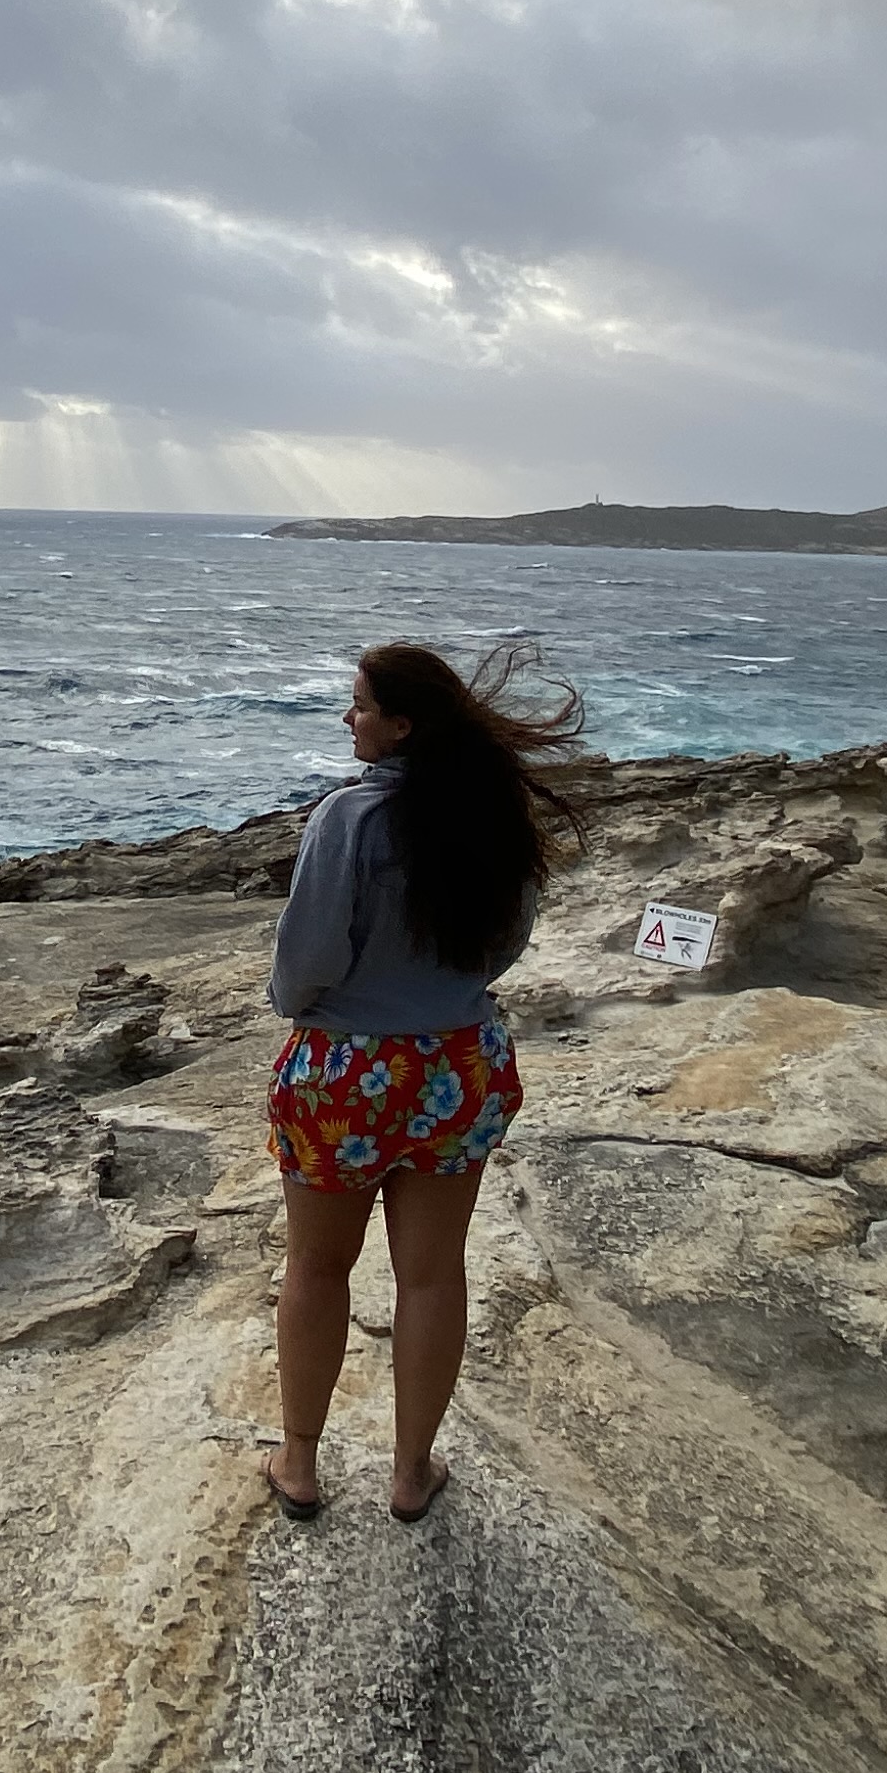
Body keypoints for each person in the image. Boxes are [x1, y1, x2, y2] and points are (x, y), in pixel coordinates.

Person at [258, 641, 584, 1526]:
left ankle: (299, 1462)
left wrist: (301, 1005)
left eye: (360, 705)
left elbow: (306, 960)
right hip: (459, 1065)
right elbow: (506, 944)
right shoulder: (493, 813)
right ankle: (410, 1474)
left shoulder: (349, 818)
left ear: (401, 725)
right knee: (433, 1277)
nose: (348, 717)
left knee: (317, 1267)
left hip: (345, 1074)